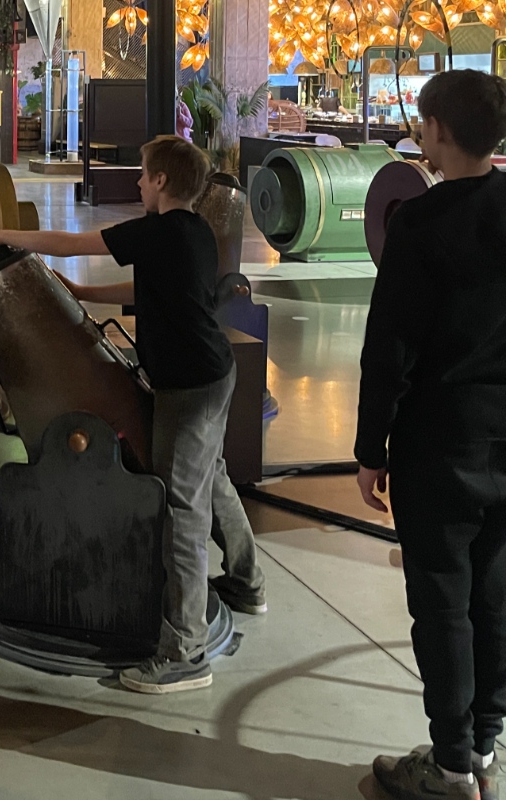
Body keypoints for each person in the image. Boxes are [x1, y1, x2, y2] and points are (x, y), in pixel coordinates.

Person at [0, 134, 266, 695]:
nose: (137, 182)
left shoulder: (157, 231)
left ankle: (185, 651)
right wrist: (83, 291)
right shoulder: (192, 232)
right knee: (210, 476)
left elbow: (71, 241)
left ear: (161, 182)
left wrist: (3, 235)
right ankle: (248, 581)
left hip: (190, 386)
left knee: (181, 507)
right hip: (210, 375)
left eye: (143, 174)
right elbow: (149, 286)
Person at [356, 69, 506, 800]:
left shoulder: (419, 223)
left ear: (438, 131)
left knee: (443, 600)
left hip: (441, 442)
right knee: (496, 595)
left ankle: (450, 766)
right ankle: (484, 745)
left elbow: (390, 346)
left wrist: (369, 449)